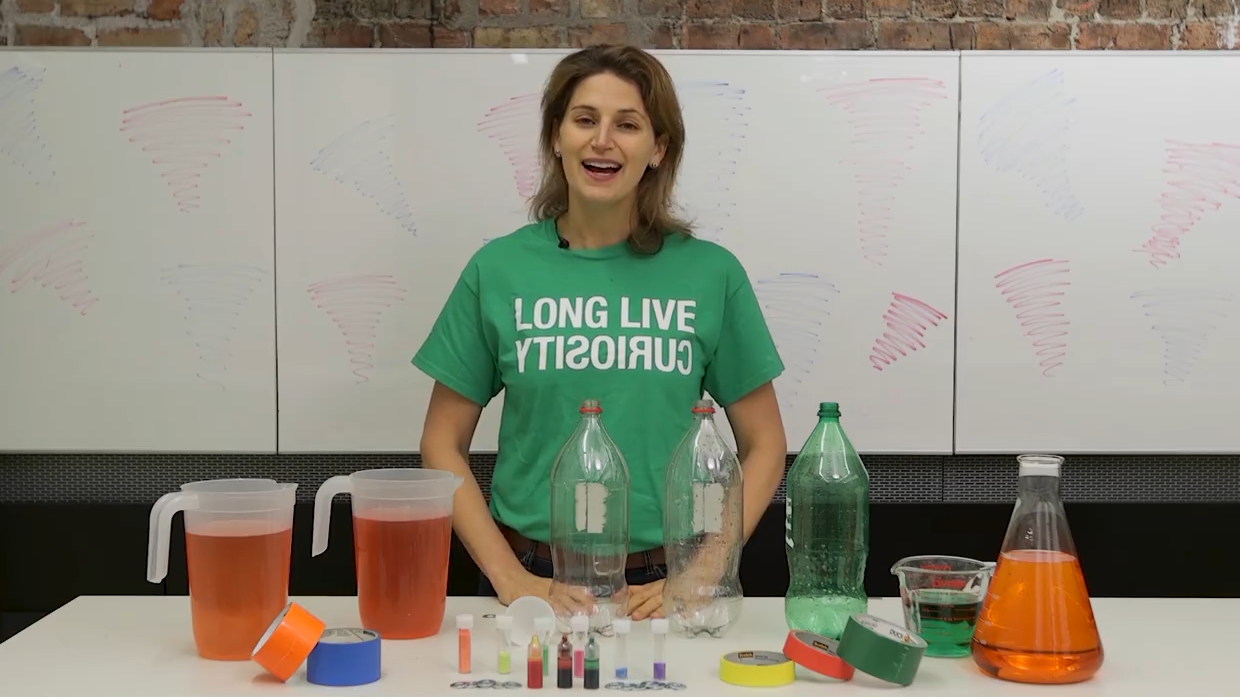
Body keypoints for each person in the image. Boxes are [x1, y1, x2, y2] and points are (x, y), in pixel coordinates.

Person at [412, 44, 788, 621]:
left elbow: (765, 445)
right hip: (532, 583)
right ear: (556, 137)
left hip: (663, 590)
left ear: (659, 148)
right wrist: (511, 579)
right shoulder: (498, 270)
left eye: (628, 124)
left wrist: (702, 573)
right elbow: (441, 444)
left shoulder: (712, 275)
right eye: (584, 119)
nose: (602, 140)